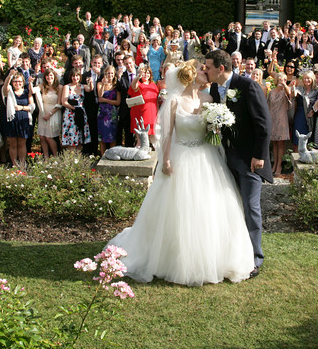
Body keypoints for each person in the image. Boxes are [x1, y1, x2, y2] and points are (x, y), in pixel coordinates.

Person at [108, 61, 255, 286]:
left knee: (208, 207)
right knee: (180, 208)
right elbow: (167, 134)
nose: (207, 73)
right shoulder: (174, 101)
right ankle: (173, 257)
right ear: (191, 76)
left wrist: (216, 125)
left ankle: (211, 255)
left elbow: (210, 133)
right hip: (181, 157)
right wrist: (165, 160)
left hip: (206, 157)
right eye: (202, 71)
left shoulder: (209, 100)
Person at [204, 49, 272, 278]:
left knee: (251, 208)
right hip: (227, 157)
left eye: (209, 67)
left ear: (220, 68)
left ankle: (255, 258)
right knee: (232, 208)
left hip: (251, 159)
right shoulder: (214, 88)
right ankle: (233, 253)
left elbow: (263, 124)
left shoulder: (247, 86)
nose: (206, 70)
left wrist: (259, 155)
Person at [3, 68, 34, 168]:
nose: (17, 83)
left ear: (23, 82)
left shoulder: (26, 92)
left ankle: (22, 165)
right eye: (15, 81)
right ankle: (14, 165)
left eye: (20, 81)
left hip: (24, 120)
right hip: (12, 120)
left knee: (22, 144)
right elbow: (4, 88)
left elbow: (32, 106)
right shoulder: (10, 91)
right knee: (12, 144)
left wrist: (22, 108)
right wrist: (10, 76)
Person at [267, 72, 293, 177]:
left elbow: (290, 94)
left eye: (284, 79)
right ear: (276, 80)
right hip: (273, 117)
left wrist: (285, 85)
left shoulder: (285, 91)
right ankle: (274, 164)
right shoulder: (271, 92)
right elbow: (268, 105)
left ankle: (279, 166)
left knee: (281, 143)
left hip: (282, 119)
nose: (282, 81)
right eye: (280, 79)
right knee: (274, 143)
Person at [60, 68, 92, 151]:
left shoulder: (82, 86)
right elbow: (64, 102)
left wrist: (91, 82)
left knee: (80, 139)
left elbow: (89, 89)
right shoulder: (67, 87)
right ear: (71, 77)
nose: (75, 78)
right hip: (70, 114)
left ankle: (79, 160)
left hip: (81, 114)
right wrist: (74, 108)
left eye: (77, 76)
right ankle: (71, 160)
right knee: (72, 140)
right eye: (73, 76)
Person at [129, 64, 160, 148]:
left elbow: (156, 100)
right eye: (144, 73)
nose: (146, 75)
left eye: (148, 73)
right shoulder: (138, 83)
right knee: (140, 139)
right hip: (140, 113)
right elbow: (133, 86)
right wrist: (138, 76)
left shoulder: (153, 85)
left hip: (152, 113)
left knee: (150, 138)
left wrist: (158, 114)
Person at [36, 68, 62, 159]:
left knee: (49, 137)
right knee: (42, 137)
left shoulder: (59, 87)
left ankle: (56, 157)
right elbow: (33, 90)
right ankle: (46, 158)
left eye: (51, 75)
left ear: (54, 76)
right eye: (47, 75)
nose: (49, 77)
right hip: (43, 112)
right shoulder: (42, 86)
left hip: (54, 112)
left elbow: (59, 104)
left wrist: (50, 114)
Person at [96, 65, 121, 156]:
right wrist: (103, 84)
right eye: (108, 73)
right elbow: (100, 96)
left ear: (114, 74)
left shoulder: (116, 85)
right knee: (102, 137)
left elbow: (118, 102)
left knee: (112, 136)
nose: (109, 75)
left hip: (112, 115)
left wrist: (105, 100)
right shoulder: (99, 84)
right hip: (102, 114)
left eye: (111, 73)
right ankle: (102, 156)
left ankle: (112, 156)